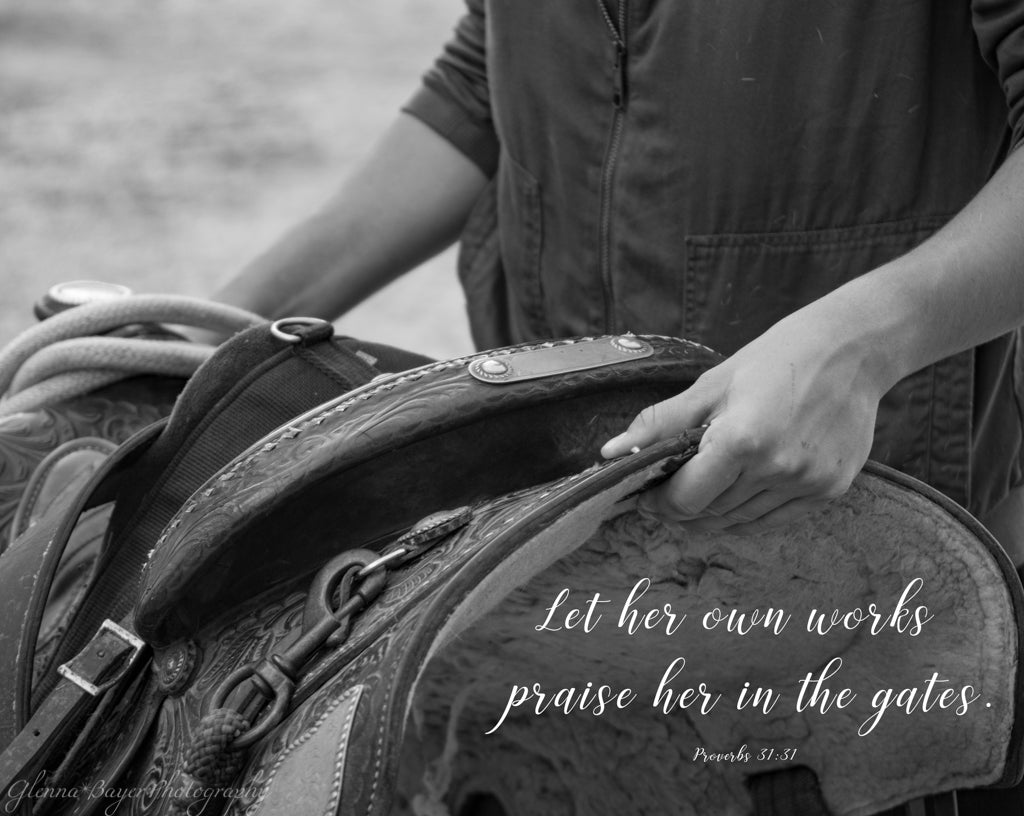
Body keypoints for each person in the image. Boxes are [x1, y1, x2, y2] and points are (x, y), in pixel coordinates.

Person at [213, 2, 1024, 561]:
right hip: (555, 522)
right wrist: (218, 333)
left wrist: (865, 345)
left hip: (884, 569)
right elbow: (487, 73)